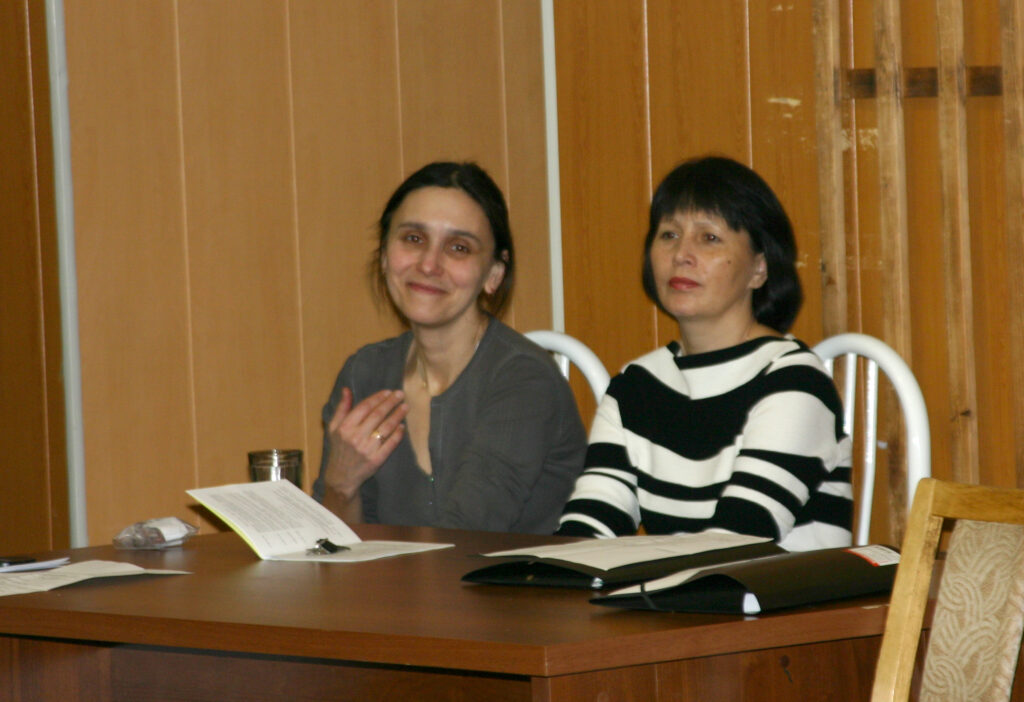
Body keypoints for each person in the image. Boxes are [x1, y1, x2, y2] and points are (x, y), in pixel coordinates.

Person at [556, 156, 852, 550]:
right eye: (669, 235)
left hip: (772, 590)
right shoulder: (636, 386)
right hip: (682, 588)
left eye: (709, 238)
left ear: (759, 268)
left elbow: (740, 540)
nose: (681, 254)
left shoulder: (794, 381)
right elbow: (590, 527)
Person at [312, 161, 587, 534]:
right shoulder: (365, 372)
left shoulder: (524, 379)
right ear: (384, 255)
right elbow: (332, 547)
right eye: (413, 239)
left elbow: (464, 540)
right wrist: (340, 485)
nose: (429, 264)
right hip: (394, 575)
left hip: (510, 574)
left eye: (459, 248)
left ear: (494, 274)